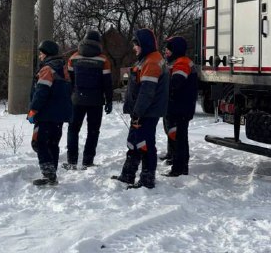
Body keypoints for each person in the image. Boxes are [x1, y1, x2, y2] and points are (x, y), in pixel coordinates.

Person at [114, 29, 168, 189]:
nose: (134, 48)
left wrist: (138, 112)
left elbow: (147, 92)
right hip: (143, 111)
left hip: (146, 112)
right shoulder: (146, 59)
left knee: (144, 144)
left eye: (136, 45)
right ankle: (128, 174)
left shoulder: (151, 62)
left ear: (143, 44)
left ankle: (147, 179)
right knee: (135, 142)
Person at [64, 29, 113, 169]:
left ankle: (72, 161)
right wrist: (109, 100)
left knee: (73, 129)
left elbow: (69, 80)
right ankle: (88, 161)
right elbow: (107, 83)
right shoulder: (103, 60)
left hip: (76, 100)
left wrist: (69, 97)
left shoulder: (73, 58)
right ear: (98, 43)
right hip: (96, 101)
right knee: (93, 131)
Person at [27, 40, 72, 186]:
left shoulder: (47, 69)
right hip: (60, 114)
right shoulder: (63, 68)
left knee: (40, 142)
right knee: (53, 143)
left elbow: (41, 92)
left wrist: (33, 110)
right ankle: (52, 173)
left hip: (46, 113)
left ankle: (48, 174)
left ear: (46, 53)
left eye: (41, 53)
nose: (40, 56)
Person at [163, 35, 198, 176]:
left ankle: (179, 169)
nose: (166, 51)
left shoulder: (182, 63)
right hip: (178, 107)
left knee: (179, 138)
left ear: (176, 49)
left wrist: (161, 87)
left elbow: (176, 83)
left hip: (181, 107)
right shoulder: (175, 62)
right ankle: (179, 165)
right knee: (177, 137)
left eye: (168, 49)